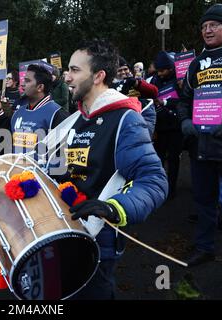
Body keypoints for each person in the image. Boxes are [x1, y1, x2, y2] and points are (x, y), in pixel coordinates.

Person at [63, 39, 168, 299]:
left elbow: (154, 180)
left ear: (98, 76)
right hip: (71, 229)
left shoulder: (126, 119)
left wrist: (114, 207)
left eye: (75, 70)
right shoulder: (76, 119)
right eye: (68, 69)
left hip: (102, 237)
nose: (66, 77)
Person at [177, 3, 222, 293]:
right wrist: (185, 119)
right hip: (202, 147)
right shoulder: (196, 62)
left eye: (213, 25)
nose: (207, 30)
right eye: (203, 27)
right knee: (204, 202)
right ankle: (205, 248)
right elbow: (182, 98)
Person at [11, 64, 68, 157]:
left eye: (27, 81)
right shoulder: (18, 113)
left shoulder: (57, 114)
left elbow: (62, 156)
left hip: (42, 171)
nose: (22, 84)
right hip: (17, 169)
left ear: (40, 87)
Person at [150, 51, 183, 199]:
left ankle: (172, 188)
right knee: (158, 158)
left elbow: (185, 101)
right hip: (159, 127)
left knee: (173, 159)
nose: (160, 73)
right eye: (158, 71)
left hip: (176, 127)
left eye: (162, 70)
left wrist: (166, 102)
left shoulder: (180, 80)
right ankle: (158, 187)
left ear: (170, 68)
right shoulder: (155, 80)